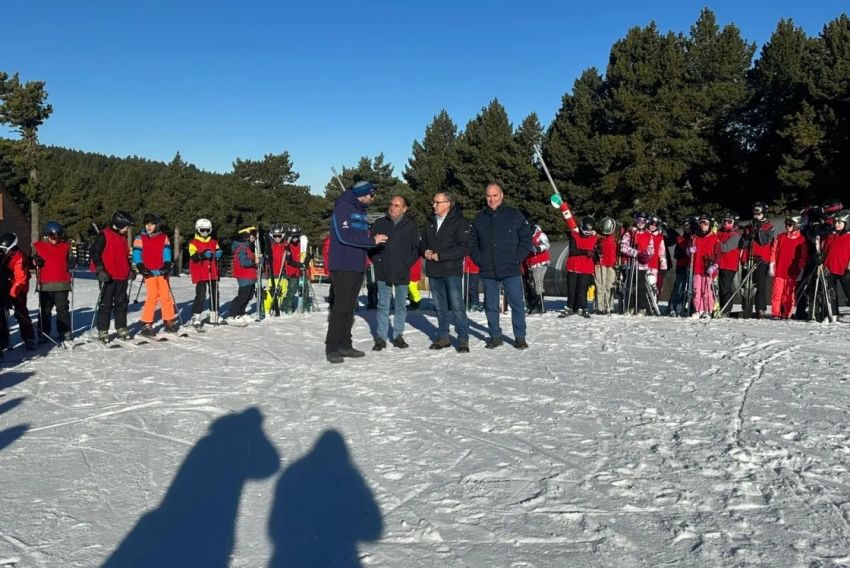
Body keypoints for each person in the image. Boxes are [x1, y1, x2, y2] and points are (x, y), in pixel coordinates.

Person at [325, 180, 387, 363]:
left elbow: (358, 236)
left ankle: (345, 344)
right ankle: (332, 347)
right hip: (343, 265)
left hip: (357, 265)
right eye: (372, 194)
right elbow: (345, 236)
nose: (373, 198)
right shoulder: (344, 207)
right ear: (363, 194)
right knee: (340, 307)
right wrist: (371, 241)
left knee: (349, 307)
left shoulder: (360, 210)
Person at [469, 182, 533, 349]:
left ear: (501, 195)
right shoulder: (480, 218)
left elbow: (526, 238)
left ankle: (520, 336)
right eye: (488, 196)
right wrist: (479, 259)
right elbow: (472, 242)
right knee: (490, 305)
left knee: (516, 304)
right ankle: (495, 336)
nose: (491, 199)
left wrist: (517, 257)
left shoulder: (514, 215)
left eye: (495, 195)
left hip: (510, 268)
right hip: (488, 269)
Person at [368, 195, 420, 350]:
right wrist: (377, 260)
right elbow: (370, 246)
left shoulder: (410, 225)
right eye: (391, 204)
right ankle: (381, 338)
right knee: (383, 305)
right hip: (383, 270)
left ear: (404, 208)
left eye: (397, 205)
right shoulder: (380, 223)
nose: (392, 207)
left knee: (400, 306)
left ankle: (398, 335)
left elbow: (416, 248)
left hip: (402, 272)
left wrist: (407, 264)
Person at [423, 190, 471, 352]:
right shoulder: (429, 221)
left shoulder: (460, 222)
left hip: (451, 270)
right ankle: (443, 336)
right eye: (433, 202)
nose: (434, 205)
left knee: (457, 305)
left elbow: (464, 247)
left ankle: (463, 338)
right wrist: (425, 252)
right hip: (433, 270)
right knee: (439, 306)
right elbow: (422, 242)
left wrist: (441, 256)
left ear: (448, 204)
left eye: (437, 202)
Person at [91, 210, 134, 342]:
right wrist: (100, 270)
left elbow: (125, 256)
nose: (127, 229)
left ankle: (121, 327)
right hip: (108, 276)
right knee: (106, 304)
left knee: (122, 303)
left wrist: (130, 269)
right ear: (119, 223)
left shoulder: (122, 237)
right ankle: (103, 330)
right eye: (126, 226)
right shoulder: (103, 235)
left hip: (122, 276)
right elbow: (95, 254)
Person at [133, 213, 178, 337]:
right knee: (152, 296)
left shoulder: (163, 237)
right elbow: (137, 253)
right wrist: (140, 265)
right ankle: (147, 323)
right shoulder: (140, 237)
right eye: (147, 224)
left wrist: (167, 264)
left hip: (161, 270)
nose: (149, 226)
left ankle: (168, 320)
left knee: (165, 295)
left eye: (152, 224)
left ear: (157, 225)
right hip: (149, 271)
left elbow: (167, 252)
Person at [32, 221, 75, 343]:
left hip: (62, 283)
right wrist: (35, 260)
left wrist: (72, 261)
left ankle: (64, 331)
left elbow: (70, 259)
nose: (56, 239)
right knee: (45, 310)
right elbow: (31, 260)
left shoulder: (65, 246)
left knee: (62, 309)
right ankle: (44, 332)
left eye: (58, 236)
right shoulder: (38, 246)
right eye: (52, 236)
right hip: (45, 284)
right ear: (47, 235)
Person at [0, 233, 35, 353]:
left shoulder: (19, 258)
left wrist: (11, 295)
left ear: (12, 248)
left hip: (19, 289)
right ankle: (4, 340)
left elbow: (20, 280)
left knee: (21, 312)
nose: (2, 252)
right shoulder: (5, 255)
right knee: (3, 313)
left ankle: (29, 338)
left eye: (4, 250)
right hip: (7, 286)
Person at [739, 203, 775, 319]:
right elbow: (743, 245)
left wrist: (759, 229)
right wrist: (747, 237)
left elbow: (764, 241)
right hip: (749, 258)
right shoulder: (749, 227)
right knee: (747, 285)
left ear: (763, 214)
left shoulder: (769, 226)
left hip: (761, 260)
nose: (756, 216)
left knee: (760, 285)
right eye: (754, 214)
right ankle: (746, 308)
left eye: (758, 214)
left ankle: (760, 309)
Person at [770, 215, 809, 319]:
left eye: (790, 224)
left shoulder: (802, 240)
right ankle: (775, 313)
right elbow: (774, 251)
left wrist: (801, 270)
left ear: (797, 225)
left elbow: (803, 257)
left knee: (789, 294)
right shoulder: (780, 237)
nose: (787, 226)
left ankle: (787, 313)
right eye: (786, 224)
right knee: (777, 293)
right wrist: (772, 264)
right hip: (779, 270)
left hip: (793, 272)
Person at [188, 218, 223, 327]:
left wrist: (218, 253)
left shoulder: (213, 242)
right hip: (201, 272)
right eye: (202, 230)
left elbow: (217, 250)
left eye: (207, 230)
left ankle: (214, 314)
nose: (205, 232)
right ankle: (196, 316)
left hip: (212, 272)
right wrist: (202, 255)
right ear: (197, 230)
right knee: (201, 295)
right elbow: (193, 256)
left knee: (214, 293)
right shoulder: (193, 243)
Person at [620, 212, 655, 315]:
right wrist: (635, 253)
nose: (640, 223)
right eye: (638, 221)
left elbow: (651, 249)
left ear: (646, 222)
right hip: (631, 264)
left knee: (641, 286)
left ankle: (641, 307)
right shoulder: (630, 233)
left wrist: (646, 255)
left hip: (642, 265)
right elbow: (623, 246)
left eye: (643, 221)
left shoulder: (649, 235)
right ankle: (629, 306)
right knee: (630, 285)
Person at [562, 216, 597, 318]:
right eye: (586, 233)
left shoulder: (595, 237)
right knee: (571, 288)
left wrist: (595, 253)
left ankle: (582, 307)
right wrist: (586, 252)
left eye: (590, 233)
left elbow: (597, 250)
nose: (588, 235)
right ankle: (570, 307)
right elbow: (572, 250)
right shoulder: (574, 235)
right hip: (573, 266)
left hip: (586, 268)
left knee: (583, 289)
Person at [686, 214, 720, 319]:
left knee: (707, 291)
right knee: (696, 290)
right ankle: (698, 309)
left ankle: (708, 310)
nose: (703, 225)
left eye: (705, 223)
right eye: (701, 223)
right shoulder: (694, 237)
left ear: (709, 224)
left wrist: (714, 266)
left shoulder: (714, 238)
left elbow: (718, 254)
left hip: (708, 268)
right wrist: (689, 251)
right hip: (697, 268)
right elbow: (688, 250)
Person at [823, 209, 850, 319]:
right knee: (831, 293)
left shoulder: (848, 237)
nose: (837, 225)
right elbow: (826, 250)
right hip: (830, 268)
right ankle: (833, 314)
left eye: (840, 222)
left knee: (848, 292)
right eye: (836, 222)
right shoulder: (831, 236)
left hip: (845, 269)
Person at [229, 226, 259, 323]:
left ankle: (241, 313)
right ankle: (234, 314)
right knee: (243, 296)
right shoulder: (242, 247)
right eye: (252, 235)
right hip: (244, 276)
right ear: (246, 236)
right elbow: (244, 262)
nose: (254, 237)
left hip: (250, 276)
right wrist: (255, 261)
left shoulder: (247, 246)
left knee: (249, 295)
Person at [716, 212, 742, 317]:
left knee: (725, 287)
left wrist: (714, 241)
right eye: (724, 221)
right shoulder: (720, 232)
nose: (726, 223)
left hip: (728, 265)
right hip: (718, 263)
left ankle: (726, 309)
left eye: (729, 221)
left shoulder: (735, 235)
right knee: (718, 287)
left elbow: (725, 247)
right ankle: (718, 307)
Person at [524, 224, 550, 315]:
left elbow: (547, 244)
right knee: (532, 284)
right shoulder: (526, 235)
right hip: (531, 263)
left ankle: (540, 305)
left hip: (541, 262)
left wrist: (538, 248)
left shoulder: (540, 235)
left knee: (538, 282)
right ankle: (535, 303)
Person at [594, 217, 618, 314]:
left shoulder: (616, 237)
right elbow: (592, 247)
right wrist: (596, 250)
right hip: (600, 262)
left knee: (610, 285)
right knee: (600, 285)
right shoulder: (598, 237)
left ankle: (609, 306)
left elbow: (619, 250)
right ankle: (600, 307)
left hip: (612, 263)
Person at [264, 223, 288, 316]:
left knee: (283, 291)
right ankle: (268, 307)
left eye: (279, 236)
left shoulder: (285, 245)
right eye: (275, 236)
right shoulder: (270, 246)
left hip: (283, 272)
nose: (277, 238)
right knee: (271, 290)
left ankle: (279, 306)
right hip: (273, 273)